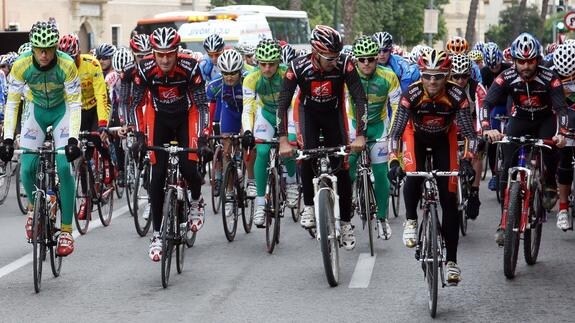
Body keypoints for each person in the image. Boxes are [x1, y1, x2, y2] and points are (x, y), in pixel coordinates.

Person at [387, 49, 477, 285]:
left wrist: (467, 159)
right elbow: (396, 130)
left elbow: (469, 132)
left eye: (438, 76)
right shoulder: (413, 93)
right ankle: (411, 220)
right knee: (413, 175)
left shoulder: (457, 94)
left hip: (443, 139)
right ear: (421, 75)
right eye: (427, 75)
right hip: (415, 137)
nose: (433, 81)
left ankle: (452, 262)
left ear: (447, 75)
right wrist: (394, 160)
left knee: (449, 199)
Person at [277, 25, 368, 250]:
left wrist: (361, 136)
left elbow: (359, 98)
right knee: (307, 154)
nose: (334, 62)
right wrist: (282, 140)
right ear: (316, 53)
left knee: (342, 166)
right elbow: (283, 102)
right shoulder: (297, 67)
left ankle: (346, 222)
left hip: (334, 113)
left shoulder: (345, 64)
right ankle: (308, 204)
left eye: (337, 56)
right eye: (329, 58)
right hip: (308, 113)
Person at [0, 21, 82, 256]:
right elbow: (13, 102)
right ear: (33, 48)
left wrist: (73, 140)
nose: (44, 54)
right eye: (39, 48)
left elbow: (75, 104)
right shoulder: (21, 64)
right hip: (36, 110)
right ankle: (34, 208)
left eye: (49, 49)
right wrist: (7, 138)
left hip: (61, 112)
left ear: (56, 47)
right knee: (26, 168)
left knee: (64, 167)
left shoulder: (67, 65)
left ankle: (66, 231)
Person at [128, 27, 209, 261]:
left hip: (186, 116)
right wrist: (139, 136)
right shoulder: (144, 69)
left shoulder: (189, 67)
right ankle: (156, 234)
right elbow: (136, 104)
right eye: (159, 54)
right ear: (153, 52)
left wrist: (203, 137)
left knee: (188, 165)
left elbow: (202, 105)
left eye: (169, 54)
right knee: (157, 174)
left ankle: (195, 200)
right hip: (159, 117)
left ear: (176, 52)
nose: (164, 59)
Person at [482, 33, 567, 245]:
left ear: (537, 60)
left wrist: (562, 133)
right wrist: (486, 127)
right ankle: (504, 222)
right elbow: (487, 104)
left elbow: (561, 109)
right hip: (519, 118)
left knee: (551, 150)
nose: (526, 66)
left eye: (530, 61)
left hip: (544, 119)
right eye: (521, 62)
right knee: (506, 166)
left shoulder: (550, 78)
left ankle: (548, 185)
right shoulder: (506, 77)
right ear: (515, 61)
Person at [347, 36, 401, 239]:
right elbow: (344, 105)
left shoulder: (388, 76)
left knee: (380, 172)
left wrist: (393, 133)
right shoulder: (349, 77)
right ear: (356, 60)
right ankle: (349, 201)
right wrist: (348, 134)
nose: (367, 63)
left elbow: (396, 107)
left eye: (371, 58)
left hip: (379, 126)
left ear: (377, 58)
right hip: (354, 126)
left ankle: (381, 218)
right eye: (362, 59)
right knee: (347, 167)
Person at [242, 38, 298, 227]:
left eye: (271, 64)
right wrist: (248, 131)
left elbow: (296, 103)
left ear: (278, 62)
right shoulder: (251, 78)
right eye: (263, 64)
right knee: (263, 151)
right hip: (265, 112)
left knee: (288, 146)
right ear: (257, 62)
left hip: (287, 111)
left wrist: (295, 131)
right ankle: (260, 204)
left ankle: (291, 183)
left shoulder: (287, 74)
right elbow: (248, 108)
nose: (267, 69)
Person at [58, 34, 113, 218]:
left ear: (79, 54)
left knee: (97, 137)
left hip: (95, 106)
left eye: (73, 59)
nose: (70, 63)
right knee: (81, 158)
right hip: (77, 110)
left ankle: (107, 161)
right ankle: (86, 200)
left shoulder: (92, 64)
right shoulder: (61, 67)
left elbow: (101, 94)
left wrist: (103, 124)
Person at [206, 49, 253, 211]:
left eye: (233, 73)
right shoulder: (215, 85)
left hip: (248, 111)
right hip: (229, 113)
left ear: (240, 71)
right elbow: (208, 108)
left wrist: (246, 130)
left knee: (247, 143)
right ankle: (229, 191)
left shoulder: (249, 79)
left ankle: (249, 174)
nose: (229, 77)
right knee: (226, 150)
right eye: (226, 73)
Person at [449, 53, 487, 220]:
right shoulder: (444, 87)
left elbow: (481, 114)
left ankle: (474, 191)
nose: (460, 80)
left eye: (464, 76)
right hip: (451, 125)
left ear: (469, 74)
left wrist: (480, 135)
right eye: (455, 76)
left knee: (477, 150)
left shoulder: (476, 88)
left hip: (471, 124)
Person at [548, 43, 575, 231]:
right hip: (561, 115)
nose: (568, 80)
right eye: (564, 76)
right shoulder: (549, 74)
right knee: (564, 158)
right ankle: (563, 209)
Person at [480, 42, 512, 191]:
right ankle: (494, 174)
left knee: (510, 132)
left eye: (496, 66)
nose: (494, 69)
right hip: (495, 104)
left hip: (509, 102)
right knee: (492, 140)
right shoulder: (485, 72)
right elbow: (483, 92)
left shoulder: (508, 68)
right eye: (491, 66)